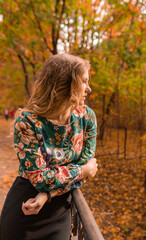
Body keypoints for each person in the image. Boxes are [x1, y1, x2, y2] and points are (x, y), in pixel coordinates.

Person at [0, 53, 98, 240]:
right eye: (84, 82)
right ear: (64, 83)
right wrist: (82, 171)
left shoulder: (87, 118)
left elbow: (86, 168)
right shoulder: (27, 121)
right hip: (25, 208)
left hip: (58, 211)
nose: (89, 88)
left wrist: (48, 195)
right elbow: (41, 179)